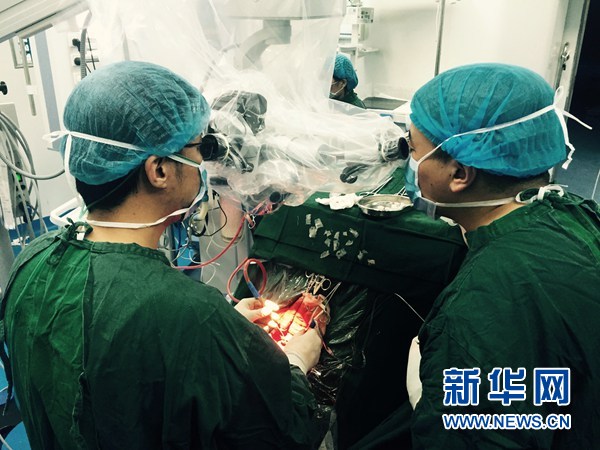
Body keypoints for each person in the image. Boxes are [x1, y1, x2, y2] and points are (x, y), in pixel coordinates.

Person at [0, 61, 325, 449]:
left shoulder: (31, 262)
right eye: (200, 148)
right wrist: (295, 363)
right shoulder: (190, 314)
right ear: (159, 171)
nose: (205, 164)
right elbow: (279, 429)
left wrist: (223, 336)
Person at [350, 63, 600, 449]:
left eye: (413, 149)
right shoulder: (571, 211)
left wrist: (441, 379)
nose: (406, 160)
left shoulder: (481, 309)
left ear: (459, 175)